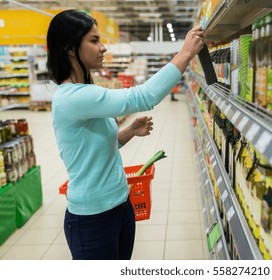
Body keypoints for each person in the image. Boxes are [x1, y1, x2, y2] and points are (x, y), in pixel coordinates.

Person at [46, 9, 204, 260]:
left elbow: (98, 149)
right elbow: (144, 96)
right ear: (70, 48)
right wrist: (186, 53)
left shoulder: (86, 91)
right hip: (92, 219)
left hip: (121, 205)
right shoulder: (72, 98)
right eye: (94, 40)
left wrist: (129, 131)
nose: (103, 48)